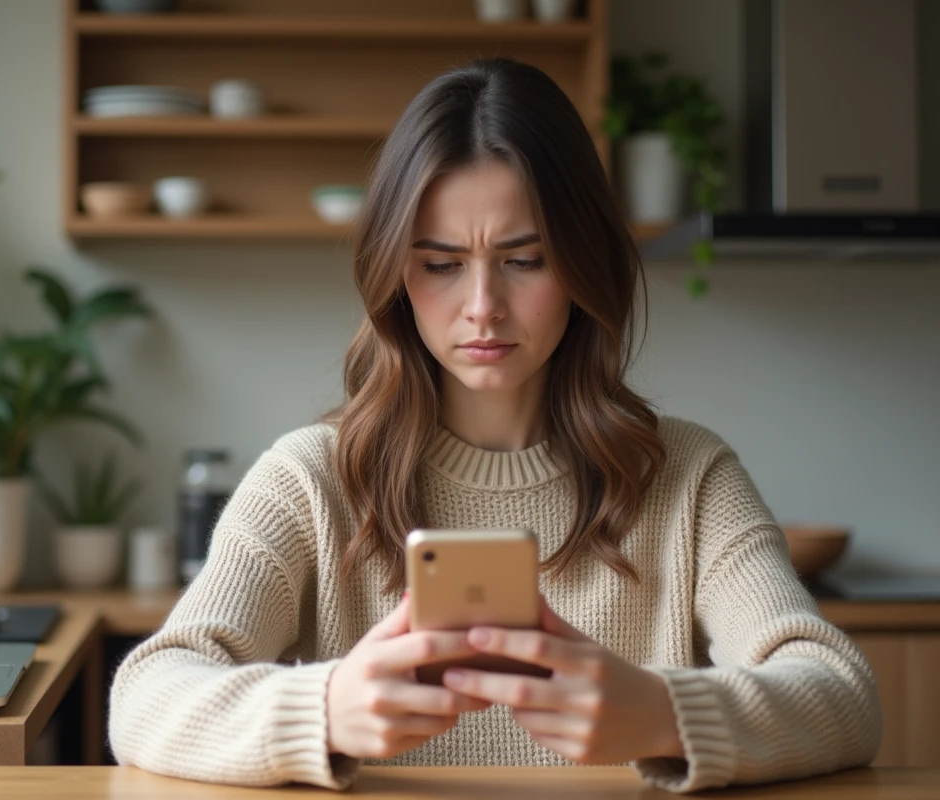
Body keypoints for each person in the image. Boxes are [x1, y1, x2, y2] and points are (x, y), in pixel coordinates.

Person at [107, 57, 880, 793]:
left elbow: (843, 694)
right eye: (441, 264)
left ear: (583, 264)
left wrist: (664, 715)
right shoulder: (310, 478)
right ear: (394, 276)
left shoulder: (689, 475)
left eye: (526, 258)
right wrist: (323, 707)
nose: (482, 306)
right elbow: (144, 695)